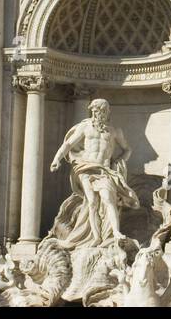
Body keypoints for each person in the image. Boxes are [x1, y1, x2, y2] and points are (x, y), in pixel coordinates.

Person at [48, 98, 140, 247]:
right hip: (85, 167)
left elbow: (127, 149)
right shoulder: (85, 127)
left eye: (103, 111)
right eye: (97, 111)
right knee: (91, 202)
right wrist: (56, 159)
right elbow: (69, 143)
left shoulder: (114, 131)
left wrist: (118, 161)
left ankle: (115, 232)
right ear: (93, 111)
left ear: (107, 112)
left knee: (108, 199)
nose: (100, 114)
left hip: (104, 170)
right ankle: (96, 236)